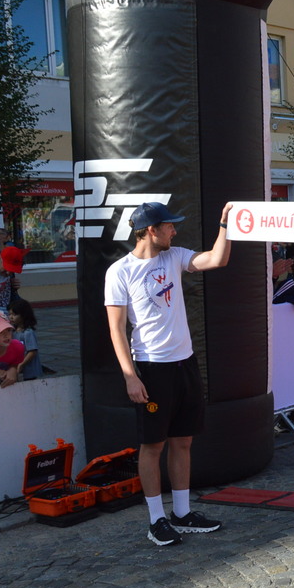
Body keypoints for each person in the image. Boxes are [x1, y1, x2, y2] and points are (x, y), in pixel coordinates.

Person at [104, 201, 231, 547]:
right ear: (151, 230)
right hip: (150, 366)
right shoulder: (119, 271)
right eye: (169, 226)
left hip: (184, 362)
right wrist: (130, 376)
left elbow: (216, 259)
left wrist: (225, 225)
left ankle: (182, 513)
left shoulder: (174, 256)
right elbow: (116, 329)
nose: (175, 231)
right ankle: (156, 519)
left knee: (183, 441)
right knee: (152, 445)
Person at [7, 298, 43, 380]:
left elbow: (32, 352)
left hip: (29, 371)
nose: (11, 317)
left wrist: (22, 363)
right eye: (10, 314)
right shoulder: (13, 331)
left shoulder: (28, 333)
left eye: (14, 315)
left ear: (23, 315)